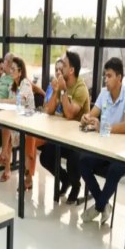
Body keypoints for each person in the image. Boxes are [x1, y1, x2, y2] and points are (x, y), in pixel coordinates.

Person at [79, 57, 125, 223]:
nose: (106, 79)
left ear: (119, 78)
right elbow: (93, 114)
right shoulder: (104, 93)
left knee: (114, 170)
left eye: (109, 76)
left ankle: (98, 206)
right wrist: (86, 118)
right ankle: (103, 203)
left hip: (124, 152)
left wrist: (103, 127)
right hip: (105, 148)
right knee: (82, 161)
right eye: (105, 75)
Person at [38, 51, 90, 203]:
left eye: (64, 66)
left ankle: (76, 186)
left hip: (79, 139)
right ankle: (65, 179)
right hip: (63, 135)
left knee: (73, 159)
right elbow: (49, 110)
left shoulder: (80, 88)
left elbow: (69, 114)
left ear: (71, 70)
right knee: (45, 156)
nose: (61, 69)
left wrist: (63, 90)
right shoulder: (61, 83)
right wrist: (56, 91)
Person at [20, 58, 64, 190]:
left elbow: (61, 113)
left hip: (57, 130)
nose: (58, 72)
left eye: (61, 70)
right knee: (29, 136)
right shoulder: (51, 86)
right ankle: (28, 175)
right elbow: (45, 106)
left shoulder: (65, 89)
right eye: (56, 69)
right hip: (45, 124)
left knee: (30, 138)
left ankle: (28, 175)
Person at [0, 56, 34, 182]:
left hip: (28, 123)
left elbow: (17, 101)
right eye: (10, 68)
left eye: (13, 69)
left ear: (20, 72)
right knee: (6, 125)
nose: (10, 71)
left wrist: (0, 101)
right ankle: (5, 159)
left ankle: (4, 158)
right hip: (16, 120)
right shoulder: (13, 84)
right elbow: (11, 104)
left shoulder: (25, 83)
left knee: (7, 128)